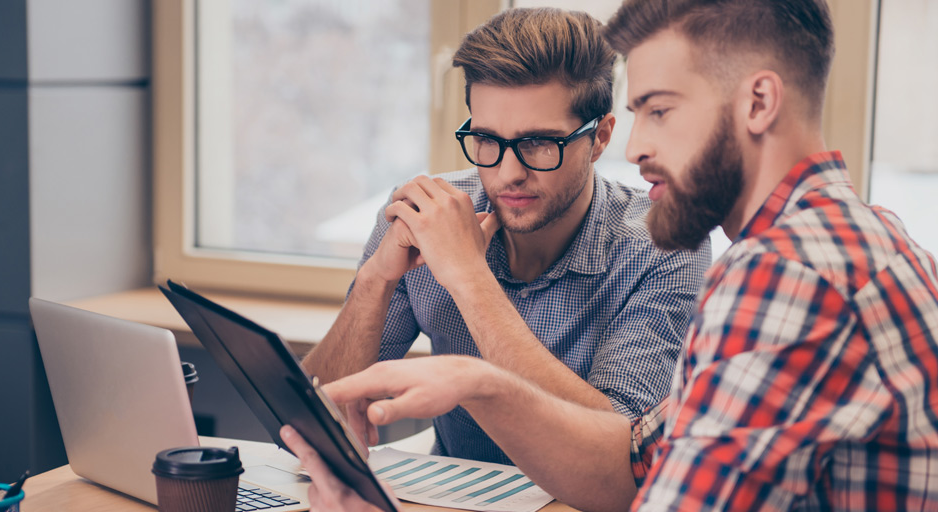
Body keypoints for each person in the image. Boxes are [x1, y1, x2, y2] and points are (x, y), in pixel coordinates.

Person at [282, 0, 938, 510]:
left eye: (658, 111)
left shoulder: (782, 273)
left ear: (758, 102)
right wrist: (471, 375)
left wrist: (470, 293)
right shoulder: (861, 234)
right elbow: (643, 460)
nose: (638, 148)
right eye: (487, 141)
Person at [301, 7, 710, 465]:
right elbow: (305, 423)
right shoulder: (426, 218)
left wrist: (469, 278)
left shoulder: (665, 243)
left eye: (538, 143)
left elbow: (622, 448)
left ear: (600, 138)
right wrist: (377, 280)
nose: (508, 173)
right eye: (487, 140)